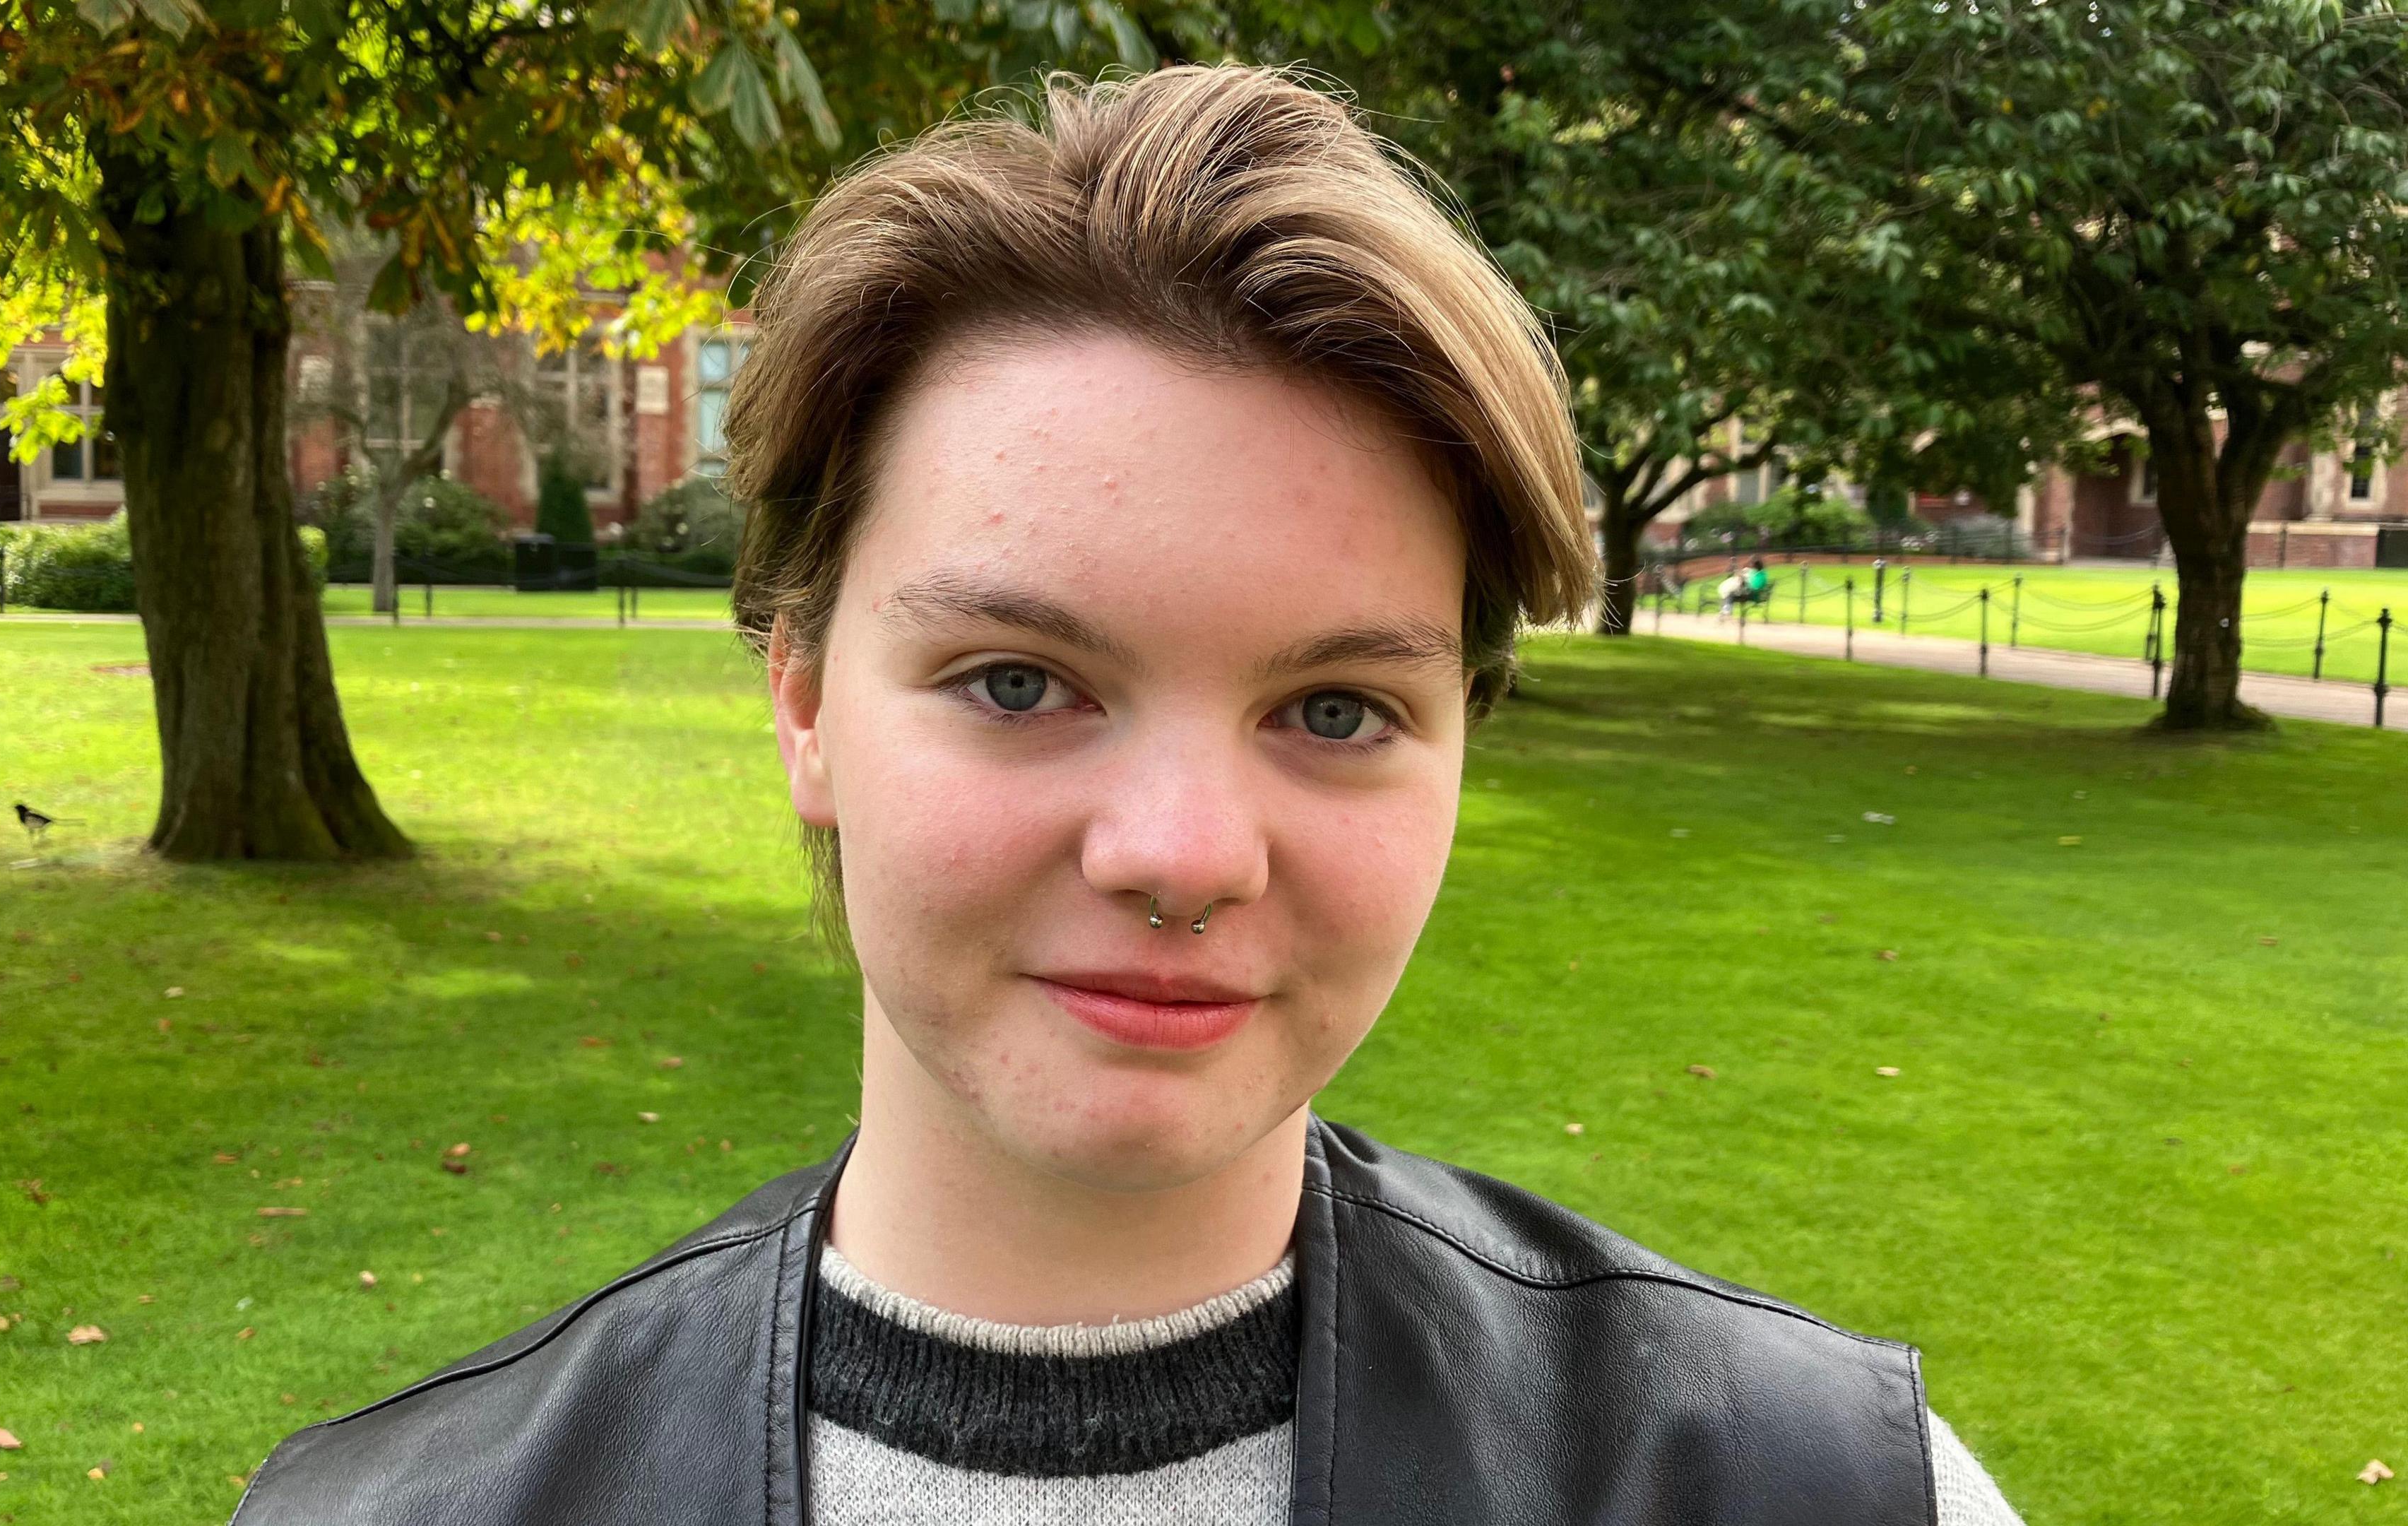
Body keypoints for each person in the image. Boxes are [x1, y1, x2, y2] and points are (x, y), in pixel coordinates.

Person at [232, 67, 2024, 1525]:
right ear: (802, 698)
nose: (1179, 854)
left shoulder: (1824, 1487)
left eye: (1334, 707)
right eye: (1020, 683)